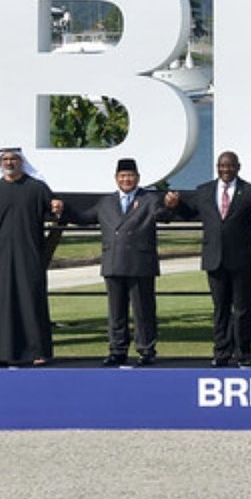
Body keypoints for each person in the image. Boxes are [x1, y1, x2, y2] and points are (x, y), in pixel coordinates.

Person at [63, 157, 172, 367]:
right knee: (116, 313)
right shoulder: (107, 202)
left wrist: (170, 205)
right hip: (113, 262)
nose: (126, 180)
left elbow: (163, 215)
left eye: (130, 176)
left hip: (140, 263)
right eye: (122, 176)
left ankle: (146, 350)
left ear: (138, 178)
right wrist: (63, 210)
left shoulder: (149, 199)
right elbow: (85, 218)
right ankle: (117, 350)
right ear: (116, 178)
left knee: (143, 311)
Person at [167, 151, 251, 367]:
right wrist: (175, 204)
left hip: (243, 259)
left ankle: (243, 353)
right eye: (222, 166)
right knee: (220, 309)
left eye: (230, 166)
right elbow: (188, 214)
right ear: (217, 167)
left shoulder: (250, 191)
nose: (226, 170)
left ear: (238, 167)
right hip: (215, 258)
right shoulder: (204, 191)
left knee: (243, 309)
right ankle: (221, 353)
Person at [0, 146, 63, 366]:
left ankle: (37, 352)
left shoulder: (37, 188)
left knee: (31, 301)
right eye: (5, 158)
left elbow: (54, 212)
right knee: (0, 305)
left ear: (21, 161)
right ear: (0, 162)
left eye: (13, 158)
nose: (9, 162)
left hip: (29, 256)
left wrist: (58, 208)